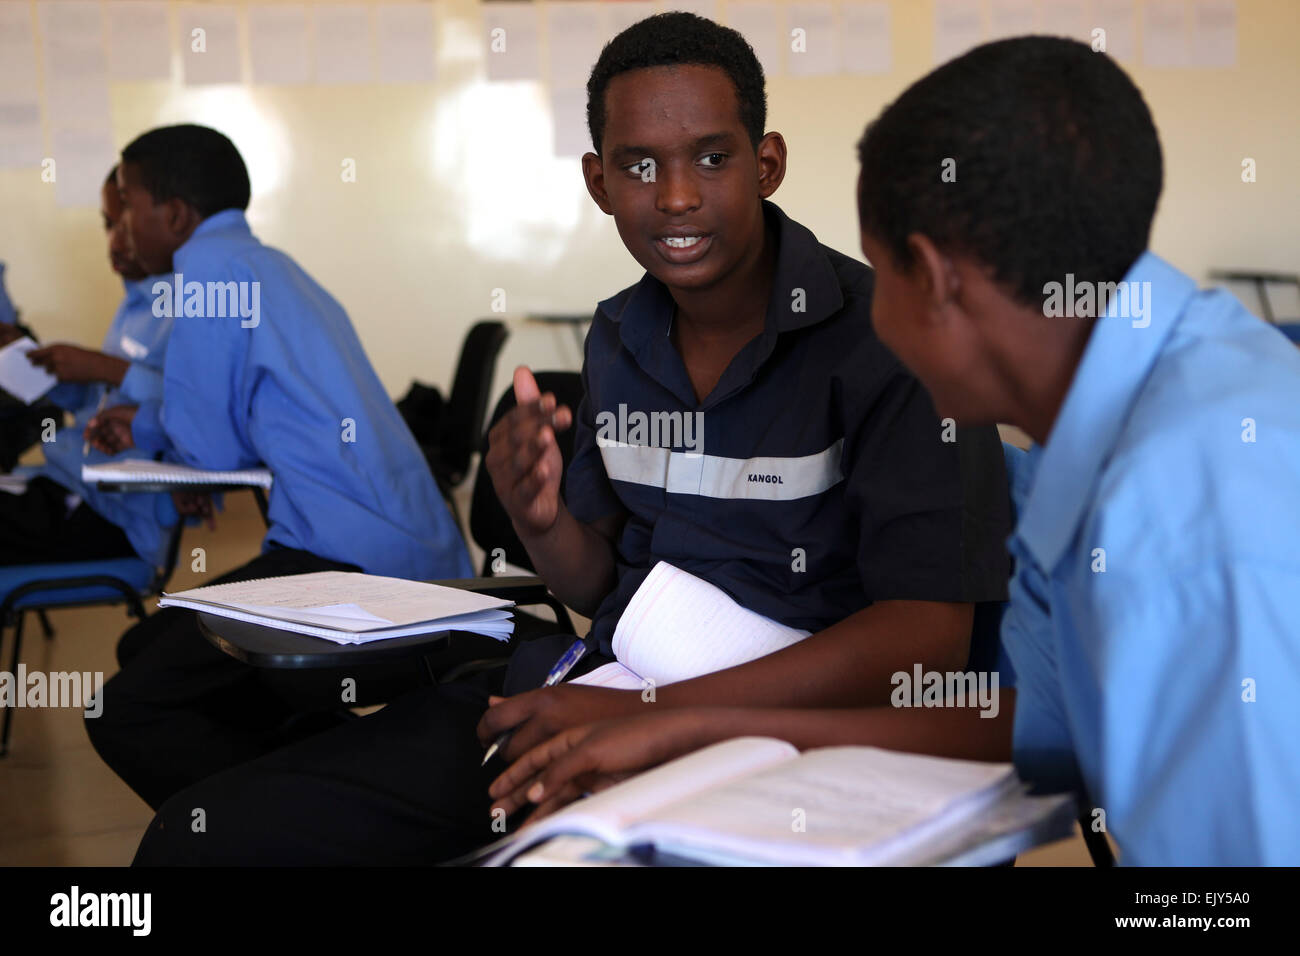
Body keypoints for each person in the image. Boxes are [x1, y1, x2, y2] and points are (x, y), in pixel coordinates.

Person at [125, 14, 1011, 865]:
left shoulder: (889, 340)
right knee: (204, 838)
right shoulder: (621, 336)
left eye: (712, 157)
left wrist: (664, 714)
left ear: (766, 163)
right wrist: (542, 518)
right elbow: (601, 588)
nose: (675, 196)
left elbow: (927, 642)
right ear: (597, 183)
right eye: (638, 166)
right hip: (598, 689)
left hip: (787, 745)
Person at [491, 36, 1300, 866]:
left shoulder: (1190, 504)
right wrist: (689, 723)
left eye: (881, 279)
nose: (867, 317)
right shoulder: (1135, 405)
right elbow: (1051, 720)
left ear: (935, 281)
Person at [85, 125, 474, 811]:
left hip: (346, 563)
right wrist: (146, 422)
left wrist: (148, 428)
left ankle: (292, 824)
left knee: (126, 709)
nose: (120, 224)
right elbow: (238, 424)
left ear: (174, 215)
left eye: (127, 205)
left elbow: (211, 453)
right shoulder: (271, 266)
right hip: (410, 545)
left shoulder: (204, 276)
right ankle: (326, 784)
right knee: (150, 646)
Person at [0, 166, 174, 567]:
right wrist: (42, 366)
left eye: (124, 225)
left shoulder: (187, 310)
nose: (115, 242)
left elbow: (187, 410)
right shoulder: (135, 304)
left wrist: (101, 366)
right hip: (66, 481)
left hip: (110, 512)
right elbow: (97, 399)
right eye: (108, 225)